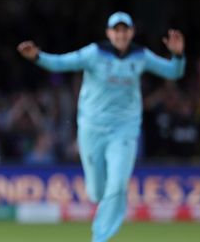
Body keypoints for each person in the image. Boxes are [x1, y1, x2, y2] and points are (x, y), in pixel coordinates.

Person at [17, 12, 185, 242]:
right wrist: (37, 56)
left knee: (117, 184)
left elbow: (173, 72)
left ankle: (100, 238)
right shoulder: (94, 53)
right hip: (92, 128)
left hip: (124, 129)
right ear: (109, 33)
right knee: (96, 191)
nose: (121, 34)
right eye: (116, 30)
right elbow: (60, 64)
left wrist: (177, 56)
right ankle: (102, 208)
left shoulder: (140, 56)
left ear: (132, 32)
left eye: (125, 30)